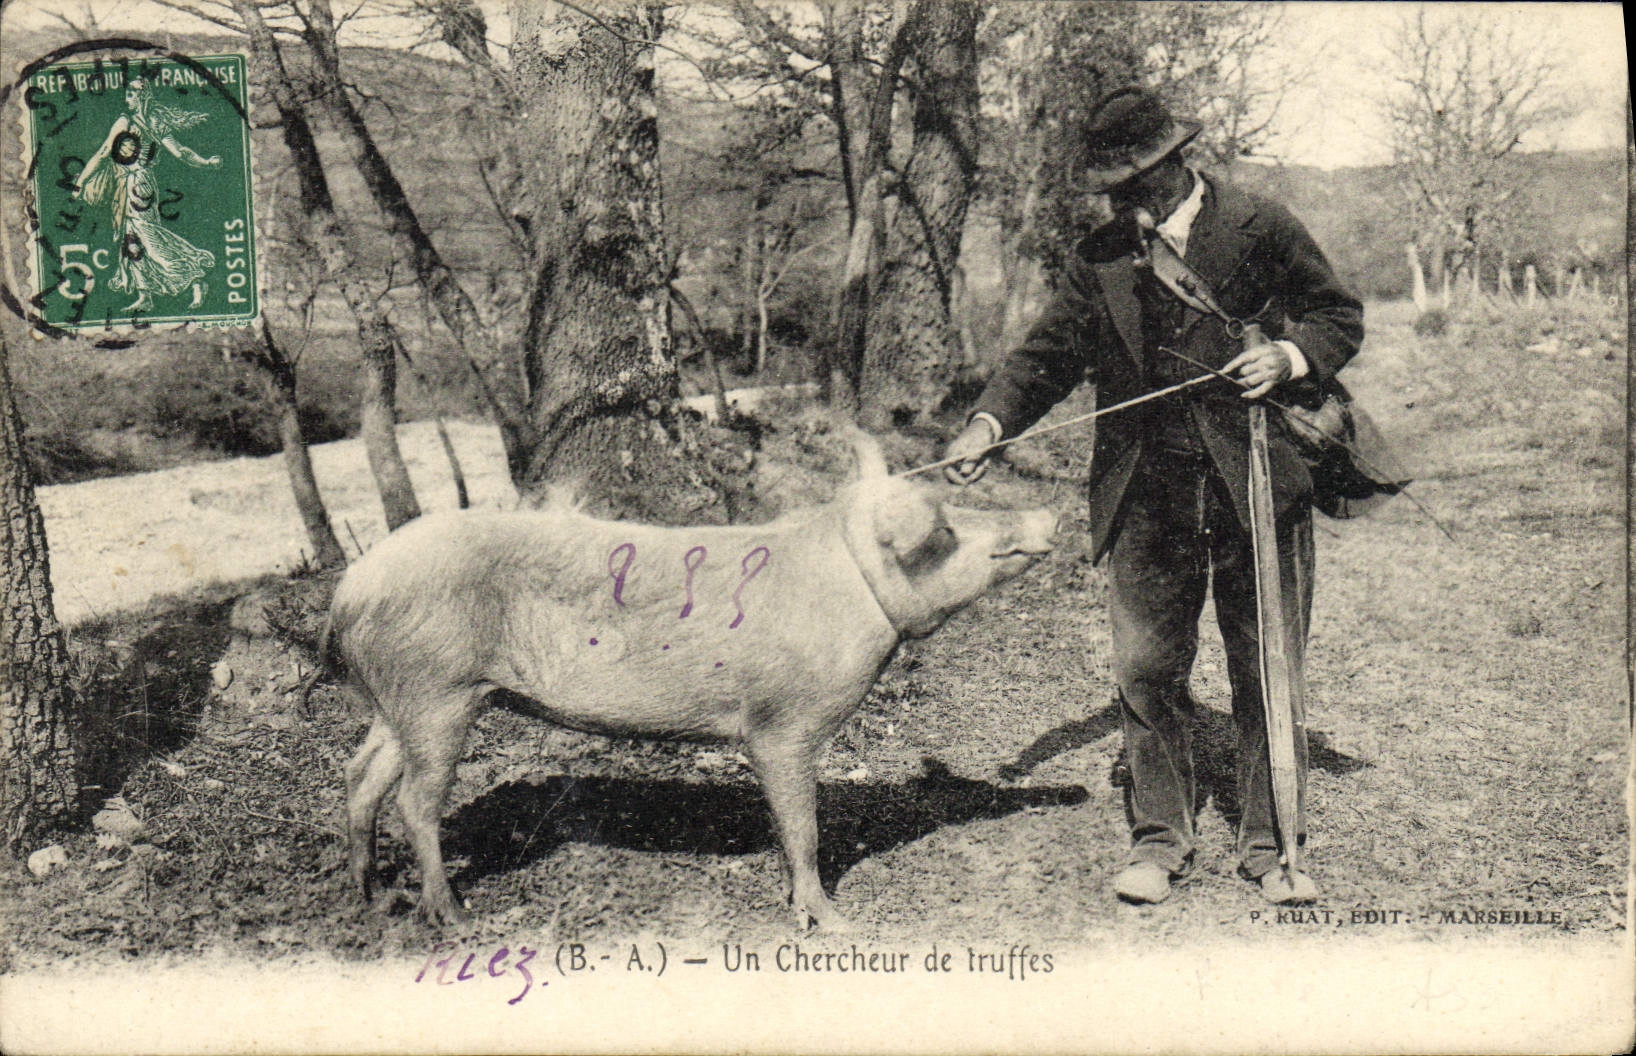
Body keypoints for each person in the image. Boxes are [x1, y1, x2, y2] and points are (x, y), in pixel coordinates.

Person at [944, 87, 1364, 906]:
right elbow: (1047, 353)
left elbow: (1336, 316)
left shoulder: (1262, 224)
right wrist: (989, 422)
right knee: (1145, 670)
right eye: (1112, 188)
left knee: (1265, 666)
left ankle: (1274, 844)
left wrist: (1286, 356)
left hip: (1257, 480)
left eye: (1134, 181)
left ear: (1174, 164)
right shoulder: (1101, 252)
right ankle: (1160, 838)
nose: (1122, 202)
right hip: (1146, 489)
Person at [72, 77, 221, 313]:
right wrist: (206, 163)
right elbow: (180, 152)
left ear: (143, 96)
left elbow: (103, 153)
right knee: (132, 241)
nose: (127, 98)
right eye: (127, 93)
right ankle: (146, 295)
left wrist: (80, 182)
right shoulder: (153, 121)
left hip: (134, 185)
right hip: (141, 184)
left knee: (148, 239)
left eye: (132, 93)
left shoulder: (128, 121)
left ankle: (194, 276)